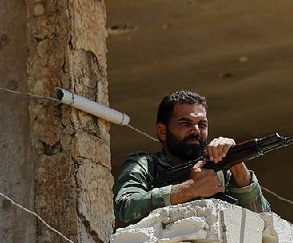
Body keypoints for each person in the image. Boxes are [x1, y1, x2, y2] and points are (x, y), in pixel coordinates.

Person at [113, 90, 271, 228]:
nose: (196, 130)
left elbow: (264, 220)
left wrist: (236, 162)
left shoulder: (218, 169)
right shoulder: (145, 164)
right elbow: (123, 209)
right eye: (185, 123)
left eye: (202, 124)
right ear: (162, 131)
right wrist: (188, 190)